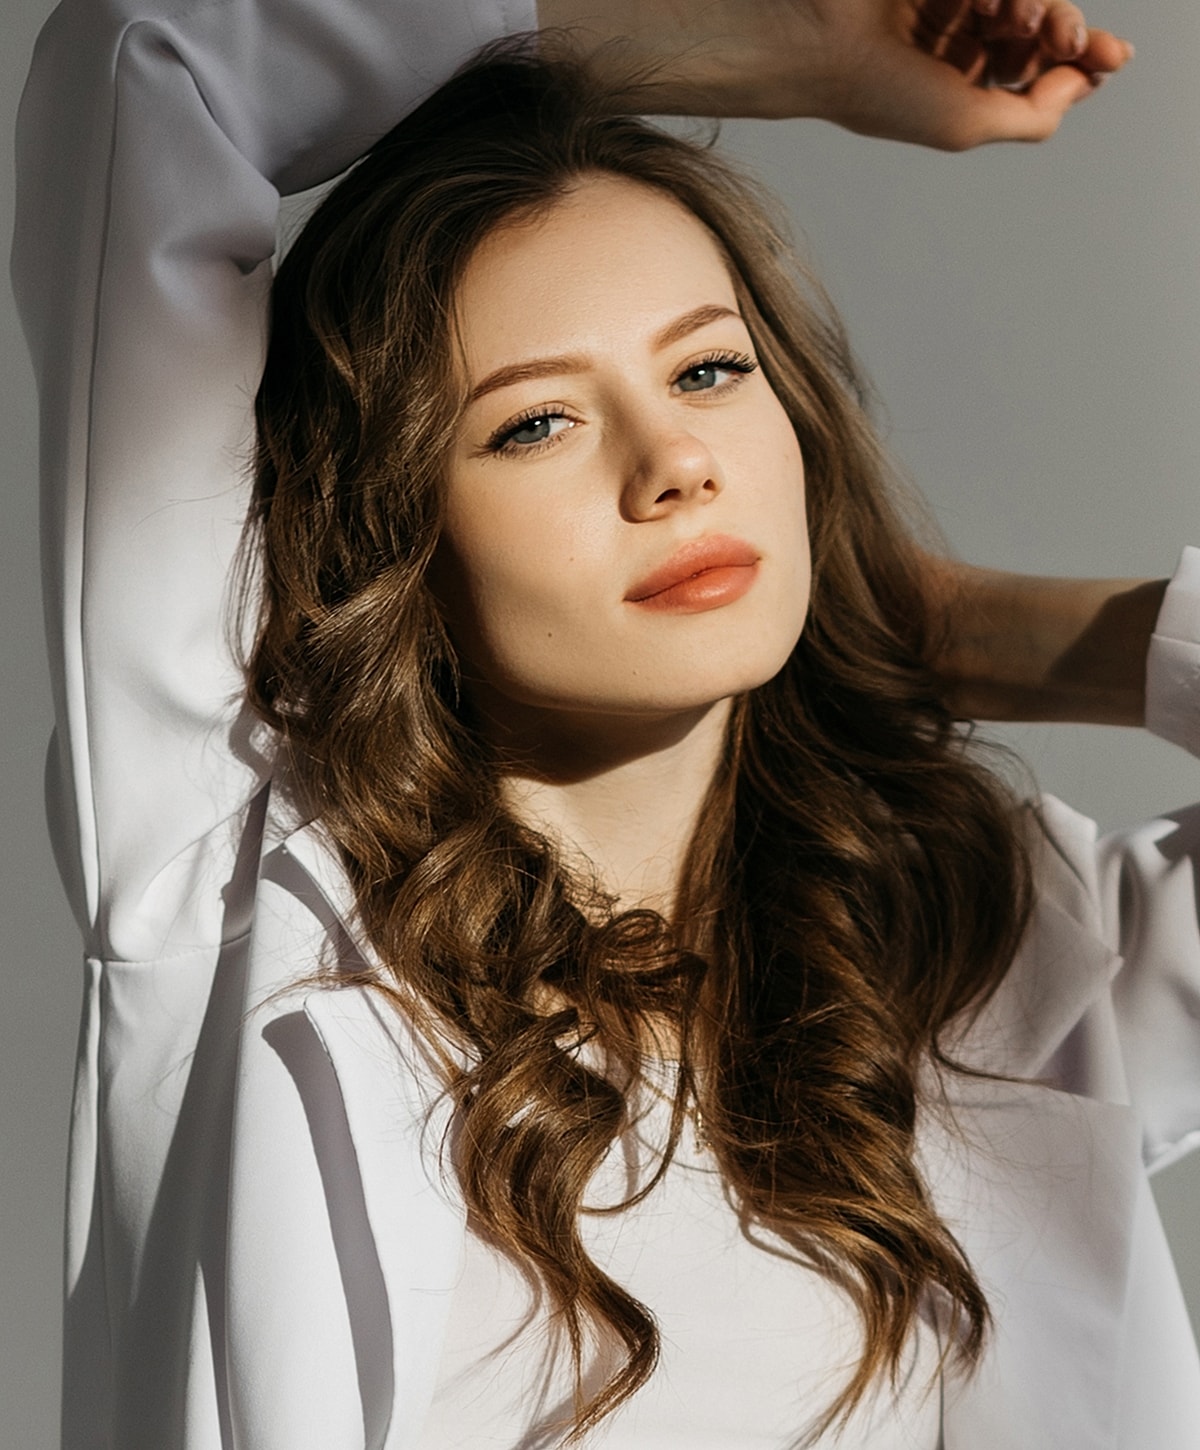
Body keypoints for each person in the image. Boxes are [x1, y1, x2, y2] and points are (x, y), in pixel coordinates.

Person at [16, 1, 1193, 1447]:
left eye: (707, 370)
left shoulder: (982, 946)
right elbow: (148, 58)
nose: (675, 464)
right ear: (398, 538)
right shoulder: (236, 898)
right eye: (533, 425)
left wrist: (965, 628)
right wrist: (795, 49)